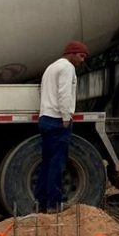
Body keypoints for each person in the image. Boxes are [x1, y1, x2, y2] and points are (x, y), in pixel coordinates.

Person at [34, 41, 89, 212]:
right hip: (57, 120)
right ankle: (54, 204)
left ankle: (41, 202)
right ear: (71, 53)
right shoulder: (67, 68)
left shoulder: (51, 67)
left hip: (45, 118)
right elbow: (64, 94)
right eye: (81, 56)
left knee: (47, 162)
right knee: (57, 163)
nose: (82, 60)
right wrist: (66, 117)